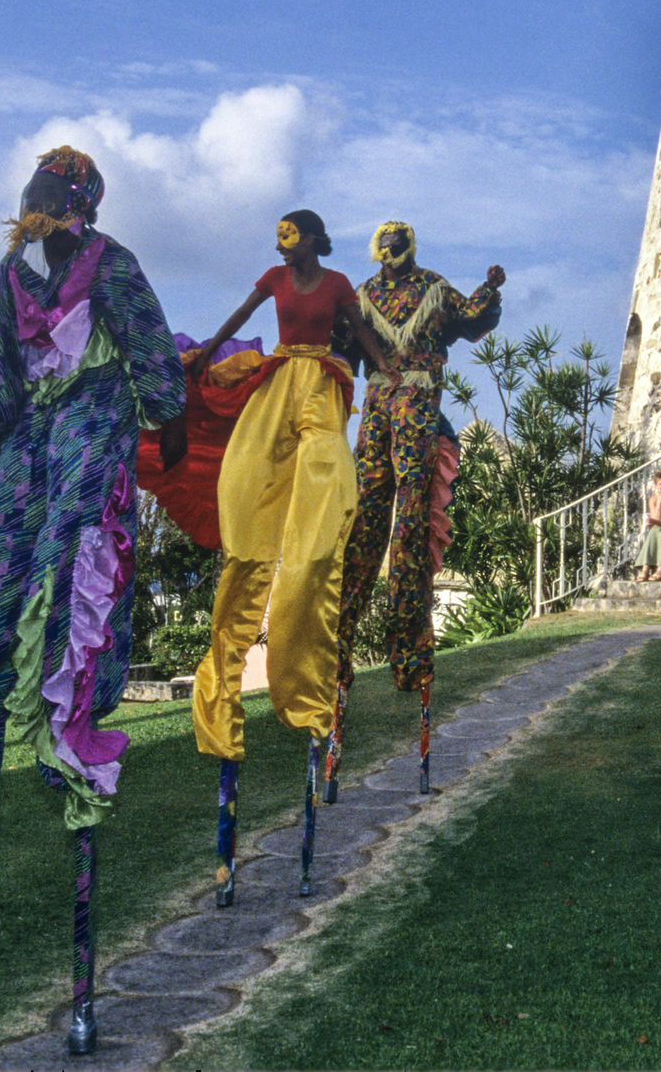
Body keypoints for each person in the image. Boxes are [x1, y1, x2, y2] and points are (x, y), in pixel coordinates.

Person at [0, 145, 187, 1066]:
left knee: (73, 590)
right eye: (32, 195)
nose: (38, 206)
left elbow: (148, 348)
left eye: (55, 197)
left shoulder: (115, 266)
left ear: (82, 208)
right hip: (28, 445)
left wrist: (166, 420)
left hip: (94, 430)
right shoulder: (10, 272)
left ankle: (71, 739)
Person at [185, 209, 393, 903]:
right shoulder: (275, 277)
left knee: (319, 517)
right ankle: (229, 668)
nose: (285, 247)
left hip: (322, 392)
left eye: (293, 236)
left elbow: (363, 337)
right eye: (280, 239)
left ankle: (305, 692)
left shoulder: (336, 284)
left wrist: (394, 374)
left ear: (313, 239)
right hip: (277, 386)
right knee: (244, 493)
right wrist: (205, 354)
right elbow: (234, 316)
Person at [328, 220, 503, 797]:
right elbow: (471, 316)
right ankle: (370, 637)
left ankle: (404, 638)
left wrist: (488, 293)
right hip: (390, 404)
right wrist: (487, 294)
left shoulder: (395, 292)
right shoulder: (375, 294)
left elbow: (471, 316)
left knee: (401, 516)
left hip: (401, 403)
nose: (390, 254)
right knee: (374, 514)